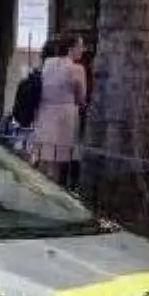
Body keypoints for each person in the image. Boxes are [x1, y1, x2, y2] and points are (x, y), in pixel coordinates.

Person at [31, 34, 86, 186]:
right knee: (58, 159)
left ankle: (38, 188)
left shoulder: (48, 64)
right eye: (80, 46)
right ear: (71, 48)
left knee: (44, 155)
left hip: (44, 113)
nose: (82, 50)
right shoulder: (77, 69)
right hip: (65, 116)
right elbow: (81, 97)